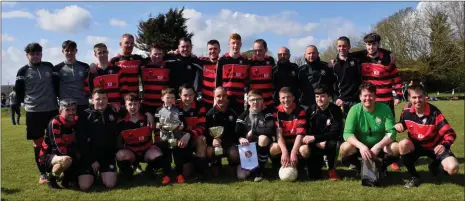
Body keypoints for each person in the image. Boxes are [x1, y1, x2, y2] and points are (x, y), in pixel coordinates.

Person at [395, 84, 459, 188]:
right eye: (414, 97)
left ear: (425, 96)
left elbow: (450, 133)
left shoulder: (434, 112)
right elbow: (403, 123)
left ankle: (434, 165)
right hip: (416, 146)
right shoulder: (406, 110)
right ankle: (414, 177)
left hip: (435, 146)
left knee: (453, 167)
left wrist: (444, 145)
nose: (417, 100)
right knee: (402, 144)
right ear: (409, 98)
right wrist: (399, 124)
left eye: (420, 96)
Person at [15, 42, 59, 184]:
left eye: (38, 53)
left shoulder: (49, 67)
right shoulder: (22, 71)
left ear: (41, 54)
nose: (35, 56)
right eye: (32, 54)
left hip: (52, 109)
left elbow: (57, 85)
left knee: (54, 142)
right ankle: (42, 173)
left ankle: (55, 170)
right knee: (39, 143)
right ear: (27, 55)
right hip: (34, 112)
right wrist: (16, 104)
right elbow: (19, 92)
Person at [339, 83, 400, 185]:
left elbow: (391, 132)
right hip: (361, 148)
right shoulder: (354, 110)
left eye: (371, 95)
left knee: (395, 147)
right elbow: (347, 133)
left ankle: (382, 166)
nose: (368, 98)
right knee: (345, 147)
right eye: (365, 95)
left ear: (375, 96)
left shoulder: (385, 108)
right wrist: (361, 146)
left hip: (380, 147)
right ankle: (360, 168)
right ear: (360, 97)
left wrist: (378, 146)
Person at [76, 88, 119, 191]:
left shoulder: (113, 112)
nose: (101, 101)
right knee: (84, 186)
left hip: (107, 157)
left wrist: (148, 114)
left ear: (108, 99)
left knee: (110, 185)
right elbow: (81, 141)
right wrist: (92, 161)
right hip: (89, 158)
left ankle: (103, 173)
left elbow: (131, 108)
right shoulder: (85, 115)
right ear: (92, 100)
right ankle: (92, 174)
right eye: (98, 99)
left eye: (104, 98)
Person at [350, 33, 403, 116]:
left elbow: (397, 79)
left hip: (386, 100)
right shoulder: (361, 57)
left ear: (378, 44)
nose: (371, 47)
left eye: (374, 44)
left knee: (389, 126)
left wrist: (398, 96)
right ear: (365, 45)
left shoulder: (387, 59)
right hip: (369, 100)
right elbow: (346, 55)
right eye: (368, 44)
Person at [115, 93, 164, 181]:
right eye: (130, 104)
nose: (132, 107)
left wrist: (157, 143)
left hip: (146, 151)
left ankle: (149, 170)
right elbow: (118, 140)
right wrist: (121, 149)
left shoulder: (147, 118)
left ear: (139, 105)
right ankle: (131, 169)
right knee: (120, 155)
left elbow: (157, 130)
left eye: (135, 104)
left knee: (158, 154)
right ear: (125, 106)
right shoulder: (121, 122)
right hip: (132, 153)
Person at [303, 85, 343, 181]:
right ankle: (306, 166)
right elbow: (306, 131)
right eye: (317, 96)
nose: (319, 99)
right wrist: (316, 141)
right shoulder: (310, 110)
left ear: (328, 97)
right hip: (315, 143)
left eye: (322, 96)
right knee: (313, 175)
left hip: (329, 141)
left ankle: (331, 169)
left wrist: (316, 138)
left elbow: (335, 132)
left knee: (334, 143)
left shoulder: (336, 110)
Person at [154, 88, 191, 184]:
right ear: (162, 98)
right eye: (167, 97)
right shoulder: (158, 110)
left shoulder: (178, 110)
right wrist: (157, 125)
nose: (170, 99)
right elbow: (156, 123)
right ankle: (166, 175)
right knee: (165, 157)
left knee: (178, 156)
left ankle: (179, 174)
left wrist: (182, 126)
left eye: (172, 98)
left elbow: (184, 123)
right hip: (164, 138)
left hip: (176, 137)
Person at [235, 89, 275, 182]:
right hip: (248, 150)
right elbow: (236, 132)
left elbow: (270, 129)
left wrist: (253, 131)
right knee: (241, 176)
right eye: (252, 100)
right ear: (248, 101)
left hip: (262, 147)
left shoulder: (267, 114)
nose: (255, 102)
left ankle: (260, 171)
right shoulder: (243, 116)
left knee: (263, 138)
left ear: (262, 100)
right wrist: (240, 138)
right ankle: (243, 165)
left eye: (258, 99)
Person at [38, 99, 79, 189]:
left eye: (73, 109)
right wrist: (75, 154)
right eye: (67, 110)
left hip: (66, 153)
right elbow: (57, 147)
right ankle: (51, 178)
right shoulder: (55, 123)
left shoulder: (76, 120)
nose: (71, 112)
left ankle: (66, 180)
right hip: (49, 155)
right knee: (66, 160)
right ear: (60, 111)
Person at [269, 87, 309, 175]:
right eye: (283, 98)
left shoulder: (300, 111)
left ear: (293, 98)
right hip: (284, 143)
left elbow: (300, 134)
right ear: (279, 99)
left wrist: (294, 152)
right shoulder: (277, 112)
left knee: (305, 149)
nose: (286, 100)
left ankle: (301, 168)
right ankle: (277, 167)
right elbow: (278, 134)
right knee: (274, 147)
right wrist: (284, 151)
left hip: (297, 144)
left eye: (288, 97)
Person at [205, 86, 240, 178]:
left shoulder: (233, 111)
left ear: (227, 97)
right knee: (208, 150)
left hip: (229, 143)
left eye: (224, 96)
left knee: (234, 153)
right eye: (218, 96)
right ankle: (214, 164)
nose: (221, 98)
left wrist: (230, 141)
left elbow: (237, 130)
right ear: (214, 97)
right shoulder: (209, 114)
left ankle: (232, 165)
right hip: (216, 145)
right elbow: (206, 132)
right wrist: (212, 140)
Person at [177, 84, 208, 181]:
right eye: (185, 95)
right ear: (180, 95)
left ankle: (200, 172)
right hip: (180, 139)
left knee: (202, 139)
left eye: (190, 95)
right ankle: (188, 163)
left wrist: (189, 135)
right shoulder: (175, 108)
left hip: (194, 138)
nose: (188, 98)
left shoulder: (200, 107)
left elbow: (202, 128)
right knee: (185, 174)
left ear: (194, 95)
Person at [215, 33, 250, 114]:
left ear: (241, 44)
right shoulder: (222, 60)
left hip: (240, 99)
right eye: (233, 43)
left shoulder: (245, 61)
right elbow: (217, 81)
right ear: (229, 44)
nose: (235, 45)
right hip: (225, 99)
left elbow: (248, 81)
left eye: (238, 43)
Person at [55, 40, 90, 117]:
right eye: (67, 50)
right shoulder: (57, 68)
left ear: (76, 51)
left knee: (83, 128)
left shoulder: (85, 66)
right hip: (66, 106)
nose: (70, 53)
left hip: (82, 104)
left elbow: (90, 84)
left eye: (72, 50)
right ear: (62, 51)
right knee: (66, 128)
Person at [332, 36, 362, 117]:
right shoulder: (333, 65)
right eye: (339, 46)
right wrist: (336, 99)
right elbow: (331, 85)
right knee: (343, 127)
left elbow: (370, 50)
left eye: (344, 46)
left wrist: (388, 53)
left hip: (357, 101)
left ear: (349, 47)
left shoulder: (356, 61)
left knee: (358, 127)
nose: (341, 48)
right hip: (341, 102)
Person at [110, 33, 144, 98]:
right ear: (120, 44)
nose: (129, 45)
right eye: (126, 43)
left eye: (132, 43)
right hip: (120, 99)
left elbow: (153, 60)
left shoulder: (138, 59)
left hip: (135, 100)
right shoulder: (114, 61)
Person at [88, 43, 122, 109]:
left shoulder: (117, 69)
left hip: (117, 107)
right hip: (101, 107)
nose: (102, 55)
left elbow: (123, 90)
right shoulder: (92, 72)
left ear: (108, 52)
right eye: (99, 53)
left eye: (104, 52)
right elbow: (91, 92)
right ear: (95, 55)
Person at [140, 44, 171, 114]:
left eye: (160, 54)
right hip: (147, 105)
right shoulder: (143, 65)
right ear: (150, 54)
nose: (157, 56)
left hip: (163, 105)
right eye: (155, 54)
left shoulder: (168, 65)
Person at [249, 39, 276, 107]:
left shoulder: (270, 61)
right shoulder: (249, 62)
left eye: (260, 50)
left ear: (266, 49)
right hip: (255, 103)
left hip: (269, 102)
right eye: (255, 50)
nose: (257, 53)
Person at [198, 39, 221, 110]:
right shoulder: (202, 62)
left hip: (219, 102)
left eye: (215, 49)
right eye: (210, 49)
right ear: (207, 50)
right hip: (205, 101)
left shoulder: (223, 63)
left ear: (219, 50)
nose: (212, 51)